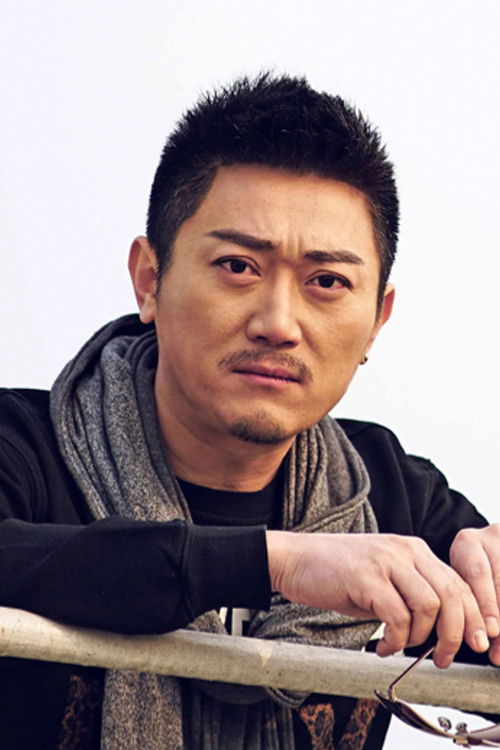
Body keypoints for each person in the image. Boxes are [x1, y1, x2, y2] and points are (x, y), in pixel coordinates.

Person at [0, 73, 499, 750]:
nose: (278, 324)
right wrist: (277, 563)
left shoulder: (391, 496)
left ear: (377, 321)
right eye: (238, 267)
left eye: (328, 281)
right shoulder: (23, 451)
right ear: (149, 280)